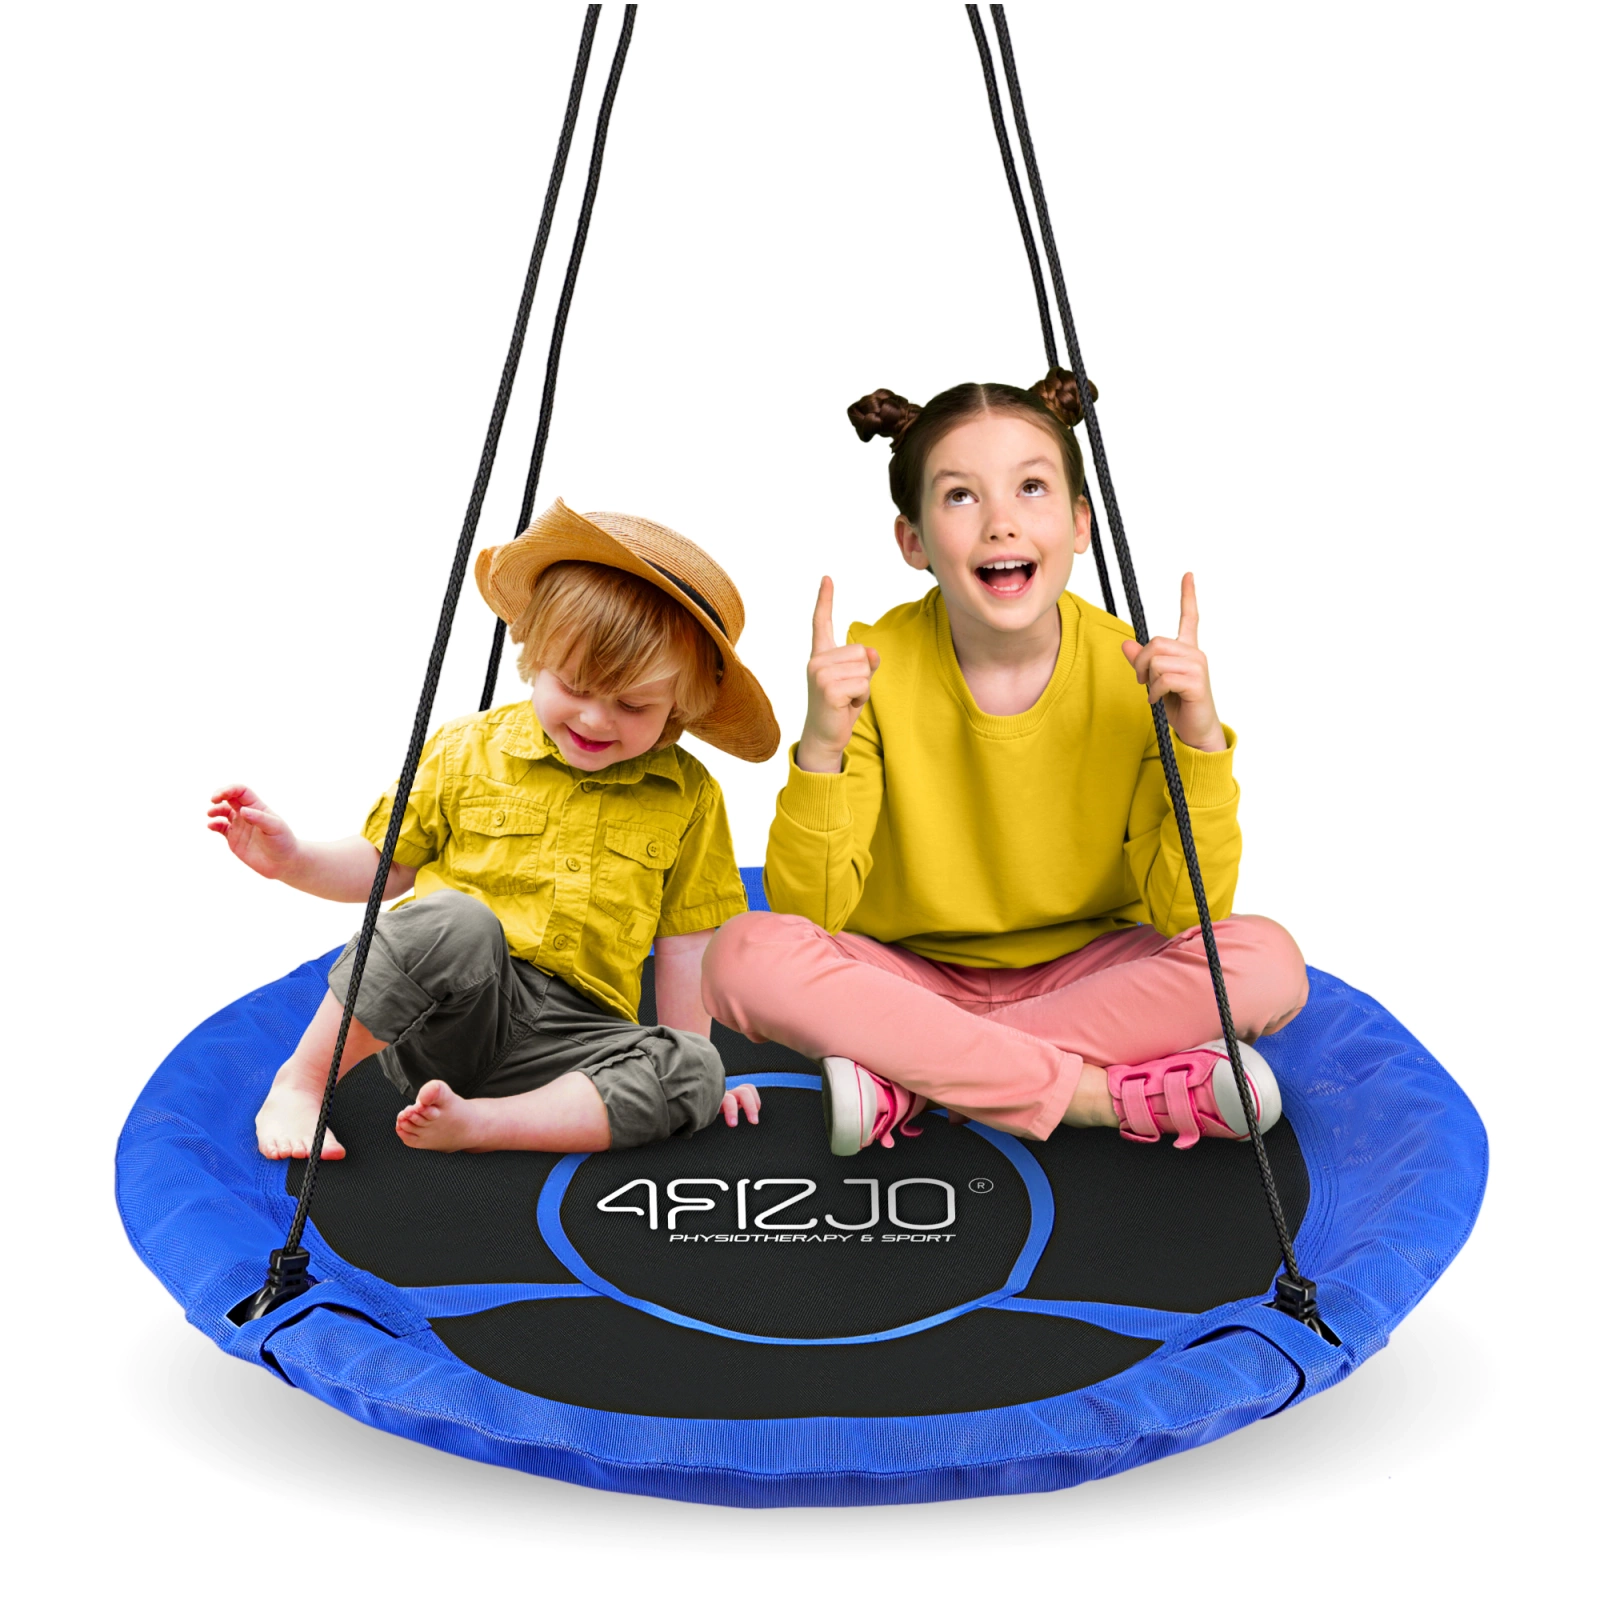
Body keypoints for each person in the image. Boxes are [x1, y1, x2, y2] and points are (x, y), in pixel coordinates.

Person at [703, 373, 1308, 1156]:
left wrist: (1198, 744)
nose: (1000, 523)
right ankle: (1097, 1096)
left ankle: (914, 1077)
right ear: (912, 541)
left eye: (1031, 488)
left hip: (1089, 976)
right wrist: (821, 746)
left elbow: (1184, 912)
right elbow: (809, 912)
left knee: (1267, 964)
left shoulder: (1133, 670)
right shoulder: (873, 666)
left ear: (1081, 523)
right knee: (743, 955)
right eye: (960, 496)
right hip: (904, 976)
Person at [211, 500, 779, 1161]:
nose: (596, 720)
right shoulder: (467, 750)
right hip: (450, 1019)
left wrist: (688, 1051)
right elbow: (384, 867)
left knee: (696, 1069)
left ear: (680, 704)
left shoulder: (689, 795)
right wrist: (292, 860)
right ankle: (304, 1082)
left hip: (579, 1049)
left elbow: (685, 944)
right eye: (575, 687)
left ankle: (485, 1123)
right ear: (535, 655)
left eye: (632, 705)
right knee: (452, 921)